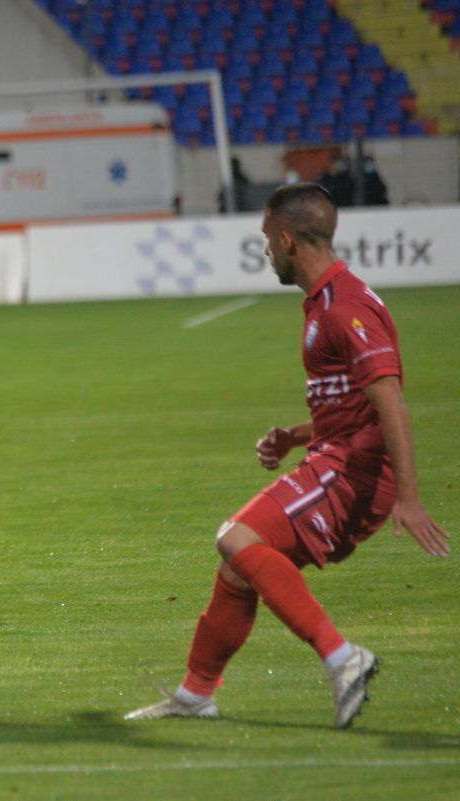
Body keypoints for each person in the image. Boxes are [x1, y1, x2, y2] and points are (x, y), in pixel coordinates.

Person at [125, 183, 450, 728]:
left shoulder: (345, 307)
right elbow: (350, 402)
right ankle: (194, 694)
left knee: (234, 538)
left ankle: (344, 658)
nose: (266, 252)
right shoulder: (326, 301)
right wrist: (297, 436)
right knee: (237, 569)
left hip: (355, 471)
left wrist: (411, 500)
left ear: (287, 240)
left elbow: (390, 400)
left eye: (266, 241)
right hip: (334, 455)